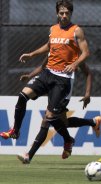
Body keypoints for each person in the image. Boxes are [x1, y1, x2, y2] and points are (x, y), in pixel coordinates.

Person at [0, 0, 90, 159]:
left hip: (62, 80)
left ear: (70, 14)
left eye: (67, 13)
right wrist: (31, 54)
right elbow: (49, 46)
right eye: (61, 13)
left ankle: (32, 154)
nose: (64, 16)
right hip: (47, 74)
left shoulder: (77, 31)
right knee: (22, 96)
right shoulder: (53, 29)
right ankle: (15, 131)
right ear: (57, 14)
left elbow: (85, 53)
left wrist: (75, 64)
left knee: (50, 118)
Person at [17, 58, 101, 164]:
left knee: (47, 119)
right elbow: (43, 66)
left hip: (63, 92)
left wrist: (87, 94)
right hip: (53, 90)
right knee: (63, 122)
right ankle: (93, 122)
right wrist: (30, 76)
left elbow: (88, 73)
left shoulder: (75, 55)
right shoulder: (55, 46)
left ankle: (29, 155)